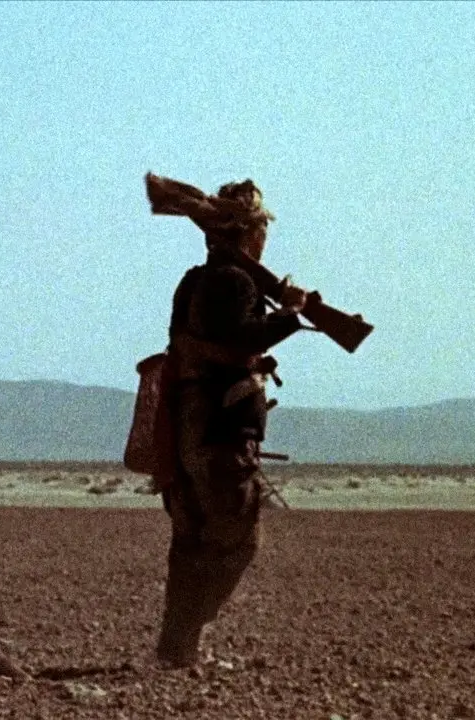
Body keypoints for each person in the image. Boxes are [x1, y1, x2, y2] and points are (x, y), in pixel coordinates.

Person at [143, 172, 309, 668]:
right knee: (235, 539)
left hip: (189, 428)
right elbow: (242, 338)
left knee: (192, 540)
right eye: (261, 230)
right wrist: (290, 313)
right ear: (249, 234)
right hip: (220, 432)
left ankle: (176, 648)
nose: (265, 238)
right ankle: (184, 643)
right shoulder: (235, 281)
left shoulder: (194, 281)